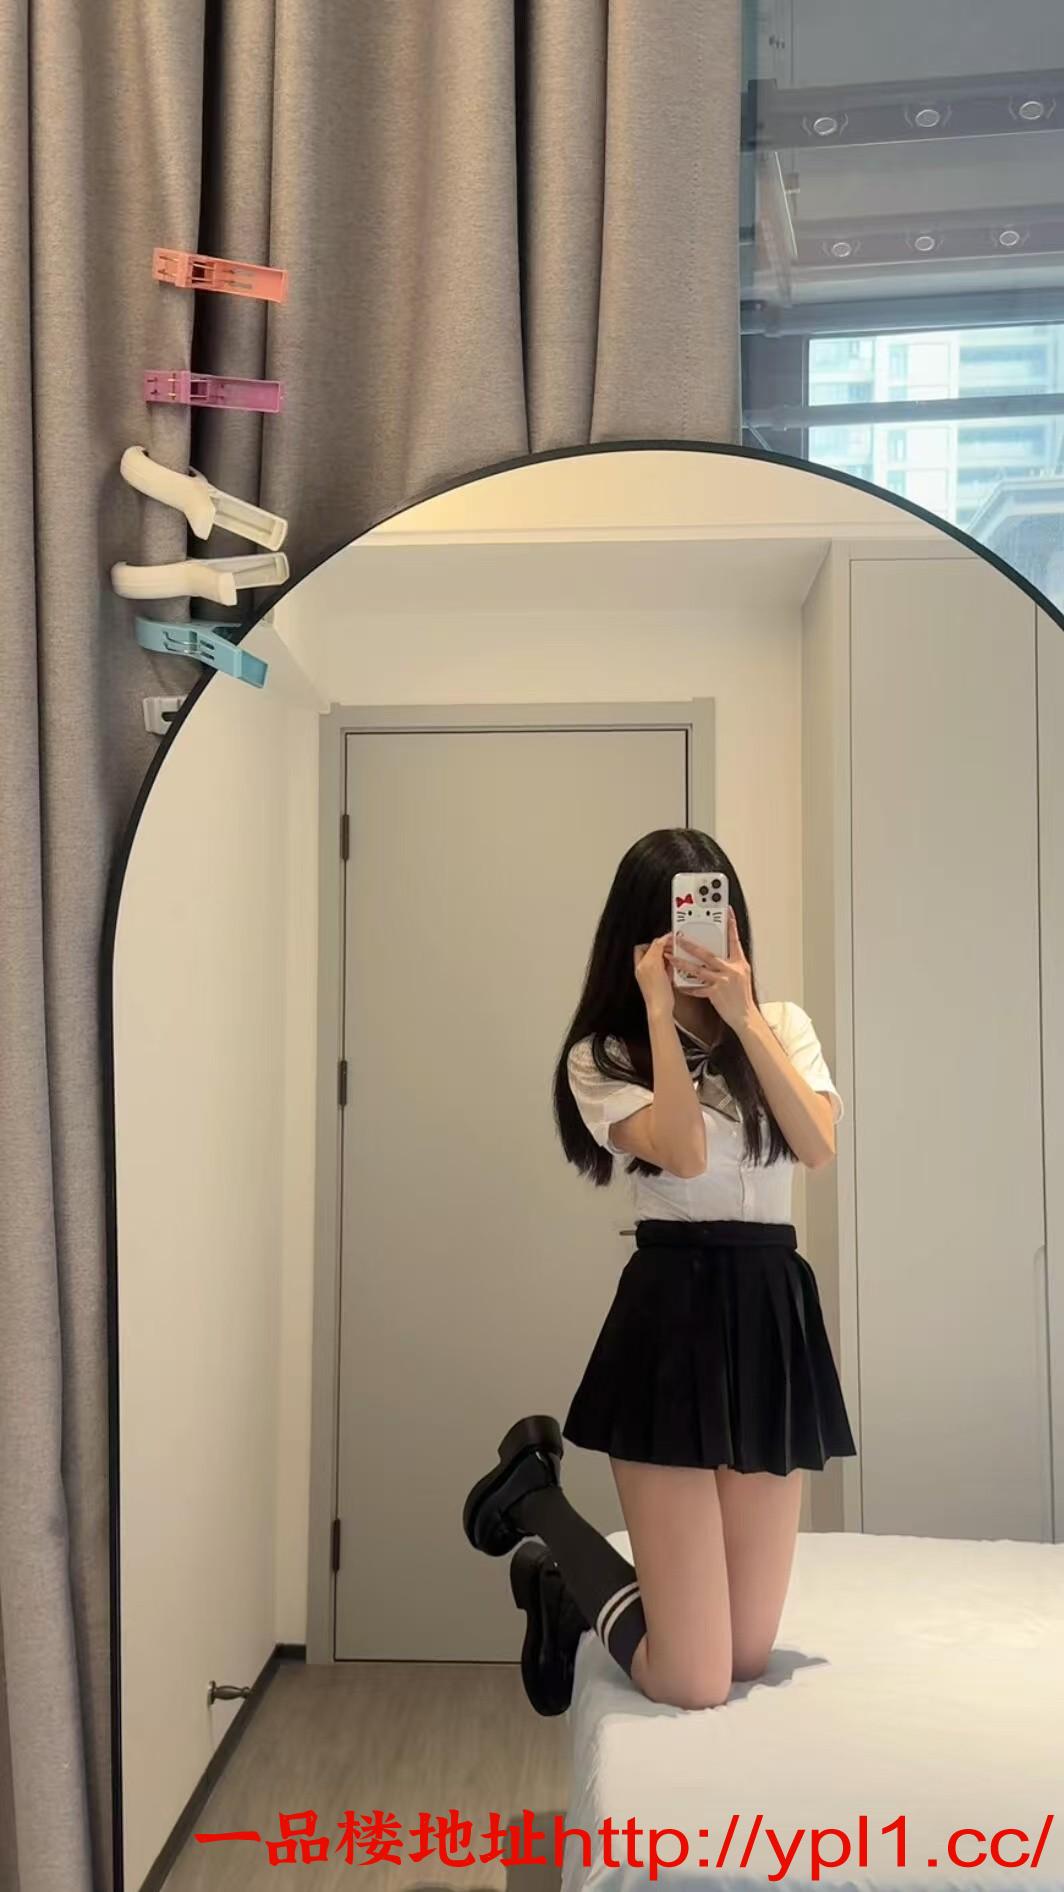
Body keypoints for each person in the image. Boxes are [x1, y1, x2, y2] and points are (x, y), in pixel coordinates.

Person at [462, 828, 856, 1716]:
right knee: (693, 1679)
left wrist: (744, 1016)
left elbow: (817, 1145)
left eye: (711, 910)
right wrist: (656, 1014)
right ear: (641, 933)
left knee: (746, 1655)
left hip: (769, 1309)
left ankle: (571, 1582)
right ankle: (545, 1523)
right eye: (676, 918)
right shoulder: (602, 1057)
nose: (695, 934)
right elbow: (683, 1153)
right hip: (671, 1315)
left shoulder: (782, 1025)